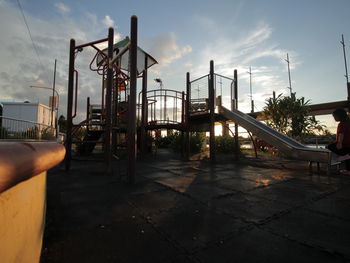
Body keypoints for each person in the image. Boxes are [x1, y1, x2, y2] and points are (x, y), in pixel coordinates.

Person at [328, 108, 350, 174]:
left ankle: (344, 156)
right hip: (348, 144)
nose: (334, 118)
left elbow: (341, 134)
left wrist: (339, 143)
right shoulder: (347, 122)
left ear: (339, 115)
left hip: (344, 144)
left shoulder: (342, 124)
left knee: (330, 146)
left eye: (334, 116)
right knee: (348, 157)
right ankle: (348, 170)